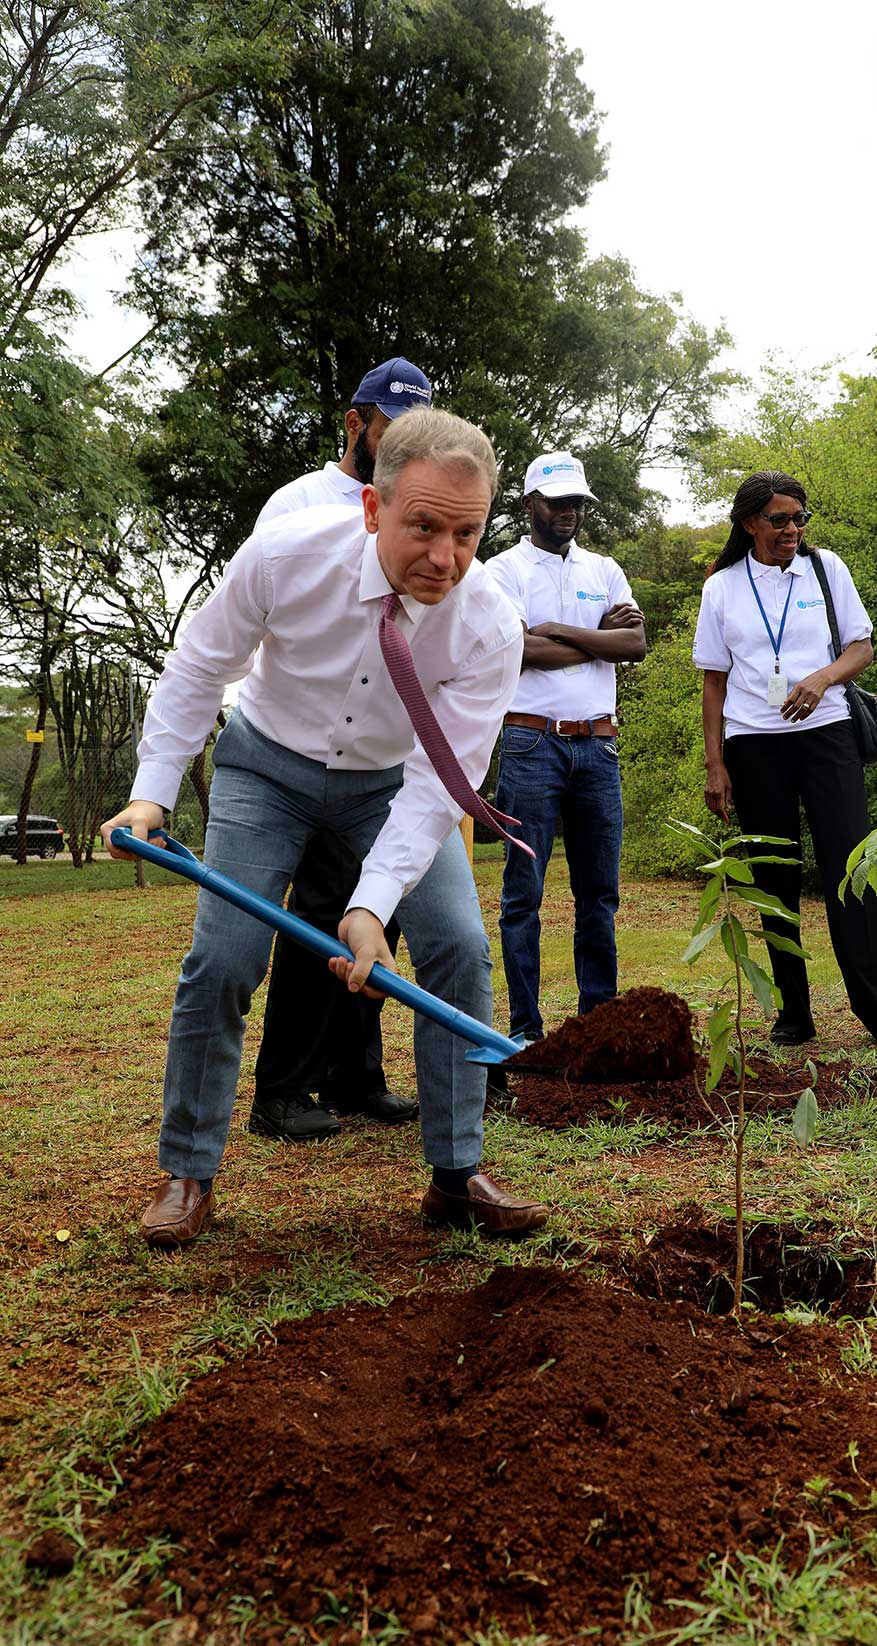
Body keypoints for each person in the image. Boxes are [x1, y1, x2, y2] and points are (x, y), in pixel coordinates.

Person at [102, 407, 549, 1247]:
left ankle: (456, 1175)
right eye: (422, 527)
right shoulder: (287, 551)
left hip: (390, 783)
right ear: (374, 510)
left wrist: (371, 905)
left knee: (457, 944)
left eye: (467, 532)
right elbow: (201, 663)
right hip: (267, 765)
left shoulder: (490, 623)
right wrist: (153, 792)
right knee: (226, 956)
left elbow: (439, 782)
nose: (445, 558)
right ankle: (188, 1172)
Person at [247, 359, 433, 1141]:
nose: (403, 448)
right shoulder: (296, 503)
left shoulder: (418, 501)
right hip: (308, 744)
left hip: (382, 750)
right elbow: (261, 612)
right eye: (392, 430)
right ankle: (281, 1092)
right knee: (319, 919)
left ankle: (358, 1078)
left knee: (374, 919)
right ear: (355, 423)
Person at [692, 469, 877, 1045]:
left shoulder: (826, 568)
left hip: (827, 733)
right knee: (775, 878)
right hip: (752, 743)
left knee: (853, 869)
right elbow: (714, 681)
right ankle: (794, 1012)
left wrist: (821, 679)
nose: (792, 528)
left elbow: (862, 646)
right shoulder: (721, 586)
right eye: (780, 519)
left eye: (800, 518)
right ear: (750, 524)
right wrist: (715, 764)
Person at [484, 451, 646, 1045]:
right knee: (523, 894)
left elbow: (636, 645)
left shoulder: (604, 568)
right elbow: (519, 651)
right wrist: (601, 640)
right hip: (531, 741)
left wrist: (557, 630)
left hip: (598, 747)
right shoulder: (501, 571)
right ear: (529, 504)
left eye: (576, 501)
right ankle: (526, 1032)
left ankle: (596, 1027)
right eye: (556, 501)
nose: (568, 512)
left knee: (598, 895)